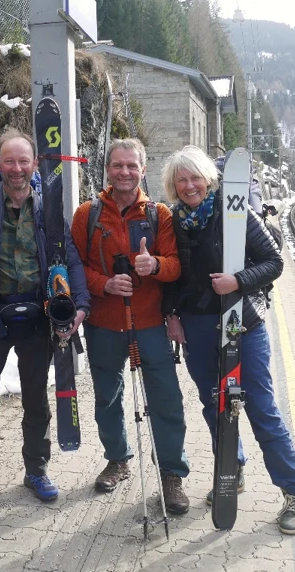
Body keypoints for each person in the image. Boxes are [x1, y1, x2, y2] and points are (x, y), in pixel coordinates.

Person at [161, 145, 295, 535]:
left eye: (196, 177)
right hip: (197, 327)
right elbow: (174, 277)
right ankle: (231, 469)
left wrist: (238, 281)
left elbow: (274, 261)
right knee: (214, 405)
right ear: (174, 185)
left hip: (242, 322)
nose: (190, 185)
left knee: (261, 409)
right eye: (182, 179)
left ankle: (293, 493)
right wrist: (172, 315)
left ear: (209, 179)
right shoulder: (174, 220)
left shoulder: (234, 210)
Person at [0, 128, 90, 531]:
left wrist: (80, 304)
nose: (16, 169)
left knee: (36, 402)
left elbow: (71, 259)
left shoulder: (49, 210)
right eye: (9, 161)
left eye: (23, 161)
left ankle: (36, 469)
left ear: (34, 165)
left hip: (36, 320)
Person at [70, 138, 190, 514]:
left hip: (151, 323)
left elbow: (176, 265)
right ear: (107, 169)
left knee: (166, 400)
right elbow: (75, 269)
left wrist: (153, 265)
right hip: (105, 324)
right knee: (106, 398)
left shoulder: (160, 215)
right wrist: (102, 284)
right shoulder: (86, 214)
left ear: (143, 170)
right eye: (118, 165)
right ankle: (118, 459)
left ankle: (172, 475)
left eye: (131, 166)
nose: (124, 172)